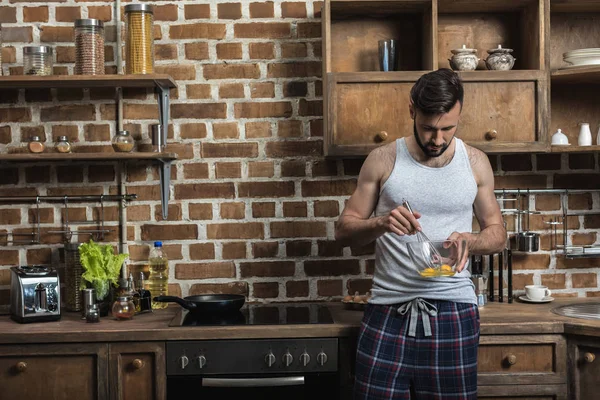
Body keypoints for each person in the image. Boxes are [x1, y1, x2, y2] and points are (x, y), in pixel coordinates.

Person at [335, 68, 507, 400]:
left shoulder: (475, 162)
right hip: (387, 312)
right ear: (412, 110)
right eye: (429, 128)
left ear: (460, 114)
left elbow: (497, 234)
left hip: (454, 311)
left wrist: (470, 240)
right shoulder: (382, 160)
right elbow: (344, 231)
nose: (438, 139)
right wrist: (380, 223)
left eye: (448, 128)